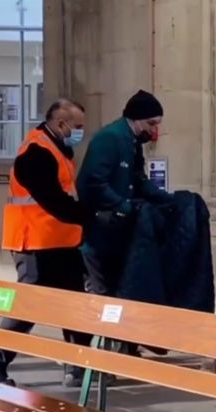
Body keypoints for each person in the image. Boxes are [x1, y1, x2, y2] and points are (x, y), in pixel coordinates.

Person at [0, 99, 96, 387]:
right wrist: (89, 216)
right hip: (34, 241)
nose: (81, 132)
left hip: (58, 241)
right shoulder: (36, 152)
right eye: (78, 126)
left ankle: (78, 365)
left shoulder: (57, 148)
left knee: (73, 302)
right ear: (61, 124)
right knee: (29, 305)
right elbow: (53, 200)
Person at [76, 89, 175, 297]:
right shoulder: (111, 138)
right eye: (151, 123)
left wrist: (167, 199)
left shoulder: (132, 142)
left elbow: (139, 179)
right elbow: (93, 181)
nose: (154, 130)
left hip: (117, 229)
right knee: (102, 290)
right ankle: (87, 329)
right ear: (136, 120)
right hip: (100, 231)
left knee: (116, 288)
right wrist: (122, 205)